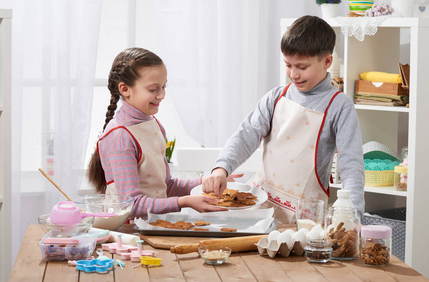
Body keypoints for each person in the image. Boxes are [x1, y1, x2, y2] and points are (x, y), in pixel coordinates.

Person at [206, 16, 365, 224]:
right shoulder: (276, 97)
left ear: (327, 61)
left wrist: (353, 216)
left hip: (306, 219)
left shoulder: (339, 105)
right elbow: (246, 135)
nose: (293, 74)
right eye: (288, 65)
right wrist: (222, 167)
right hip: (260, 209)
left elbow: (351, 163)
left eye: (302, 66)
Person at [87, 47, 234, 219]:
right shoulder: (120, 136)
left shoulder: (153, 125)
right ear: (125, 89)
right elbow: (131, 204)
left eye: (164, 86)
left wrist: (206, 181)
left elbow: (166, 186)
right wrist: (183, 202)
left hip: (152, 226)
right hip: (127, 233)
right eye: (153, 89)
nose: (162, 95)